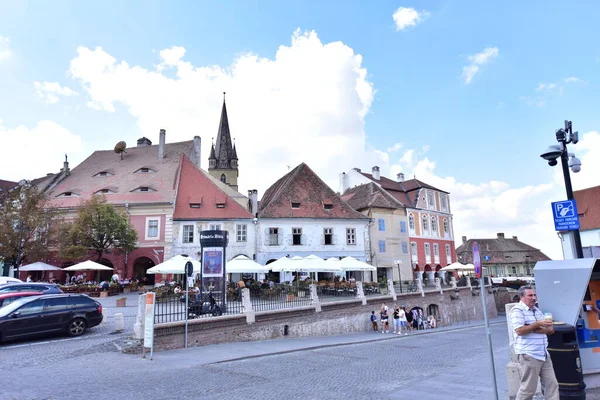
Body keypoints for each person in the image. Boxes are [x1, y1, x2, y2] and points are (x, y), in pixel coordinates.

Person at [510, 286, 559, 400]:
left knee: (552, 384)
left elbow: (550, 330)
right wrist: (537, 325)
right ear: (522, 297)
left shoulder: (537, 311)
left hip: (543, 354)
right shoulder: (518, 311)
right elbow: (520, 330)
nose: (534, 298)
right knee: (528, 389)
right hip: (529, 354)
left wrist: (533, 327)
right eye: (530, 295)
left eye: (534, 295)